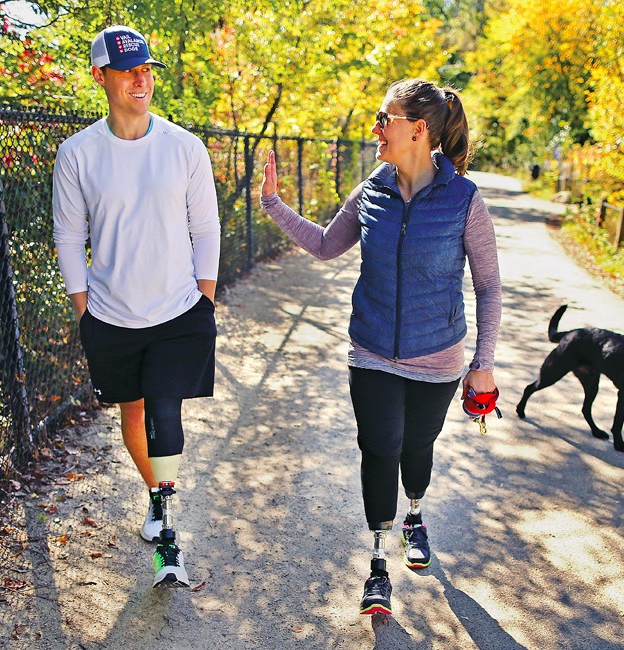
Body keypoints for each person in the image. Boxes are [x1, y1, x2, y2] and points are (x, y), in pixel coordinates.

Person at [260, 78, 501, 616]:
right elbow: (326, 245)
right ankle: (377, 565)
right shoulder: (373, 187)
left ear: (417, 130)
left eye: (382, 119)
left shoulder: (463, 198)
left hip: (437, 355)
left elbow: (488, 284)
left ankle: (415, 513)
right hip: (370, 350)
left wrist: (483, 365)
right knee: (379, 447)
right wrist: (274, 204)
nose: (375, 128)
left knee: (417, 449)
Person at [52, 25, 220, 589]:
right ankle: (156, 496)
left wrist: (204, 297)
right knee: (133, 413)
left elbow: (207, 228)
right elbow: (70, 237)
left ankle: (169, 531)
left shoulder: (183, 147)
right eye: (128, 70)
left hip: (178, 311)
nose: (141, 78)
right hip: (112, 315)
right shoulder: (78, 154)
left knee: (164, 407)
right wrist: (85, 310)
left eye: (146, 68)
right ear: (101, 77)